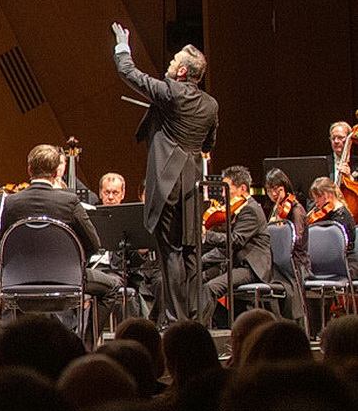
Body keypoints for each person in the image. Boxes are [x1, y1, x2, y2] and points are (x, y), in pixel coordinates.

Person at [113, 22, 219, 324]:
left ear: (182, 71)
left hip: (168, 182)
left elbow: (129, 73)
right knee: (191, 252)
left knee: (171, 252)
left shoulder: (171, 92)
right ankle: (194, 318)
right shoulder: (210, 105)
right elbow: (208, 144)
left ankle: (175, 320)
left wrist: (122, 46)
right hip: (192, 183)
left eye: (173, 62)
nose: (169, 65)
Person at [0, 144, 119, 333]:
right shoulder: (69, 201)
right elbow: (94, 244)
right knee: (112, 288)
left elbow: (3, 244)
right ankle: (84, 343)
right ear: (56, 172)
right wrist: (72, 264)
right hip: (65, 278)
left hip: (20, 280)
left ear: (29, 170)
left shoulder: (12, 202)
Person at [199, 166, 274, 325]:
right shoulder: (237, 209)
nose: (223, 194)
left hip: (251, 268)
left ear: (242, 189)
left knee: (210, 288)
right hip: (234, 264)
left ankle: (200, 329)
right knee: (196, 282)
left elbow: (236, 240)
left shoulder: (250, 210)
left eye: (227, 189)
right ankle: (228, 323)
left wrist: (207, 234)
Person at [265, 168, 307, 269]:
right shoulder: (277, 208)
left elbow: (297, 240)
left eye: (276, 189)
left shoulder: (296, 210)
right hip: (280, 260)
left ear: (285, 187)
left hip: (296, 263)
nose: (273, 194)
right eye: (269, 191)